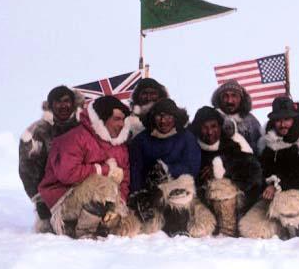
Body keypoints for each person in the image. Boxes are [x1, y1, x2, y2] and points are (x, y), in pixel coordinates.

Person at [39, 95, 134, 238]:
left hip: (100, 201)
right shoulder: (75, 137)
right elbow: (67, 174)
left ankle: (101, 223)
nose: (121, 124)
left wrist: (118, 206)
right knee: (103, 185)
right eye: (116, 119)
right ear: (102, 119)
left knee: (128, 221)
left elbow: (125, 180)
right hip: (62, 200)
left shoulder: (120, 147)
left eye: (123, 119)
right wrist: (104, 169)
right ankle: (86, 233)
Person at [239, 97, 299, 238]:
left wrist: (279, 185)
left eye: (287, 119)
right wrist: (268, 184)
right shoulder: (268, 144)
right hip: (273, 198)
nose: (282, 124)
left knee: (286, 203)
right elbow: (263, 171)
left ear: (294, 119)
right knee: (250, 228)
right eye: (278, 120)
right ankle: (279, 231)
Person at [188, 106, 262, 236]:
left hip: (230, 204)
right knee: (199, 231)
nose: (210, 132)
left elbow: (254, 170)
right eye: (205, 127)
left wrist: (223, 167)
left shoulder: (230, 145)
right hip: (200, 201)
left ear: (220, 127)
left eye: (213, 126)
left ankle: (227, 232)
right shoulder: (192, 146)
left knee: (221, 187)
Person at [19, 85, 84, 232]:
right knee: (52, 237)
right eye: (57, 102)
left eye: (66, 101)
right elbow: (27, 169)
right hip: (50, 196)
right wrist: (39, 199)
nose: (63, 106)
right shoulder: (37, 132)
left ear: (73, 103)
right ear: (50, 105)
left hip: (81, 191)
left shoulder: (85, 127)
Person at [127, 99, 201, 228]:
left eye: (168, 116)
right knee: (146, 221)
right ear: (152, 117)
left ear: (175, 117)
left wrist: (167, 169)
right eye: (159, 116)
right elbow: (135, 169)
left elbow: (192, 167)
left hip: (177, 185)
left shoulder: (186, 137)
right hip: (150, 189)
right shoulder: (141, 140)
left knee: (180, 195)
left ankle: (178, 225)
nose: (163, 121)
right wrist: (137, 193)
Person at [210, 79, 263, 153]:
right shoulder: (211, 118)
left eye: (234, 96)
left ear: (241, 99)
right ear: (220, 99)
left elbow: (258, 149)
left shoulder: (251, 121)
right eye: (225, 96)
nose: (229, 101)